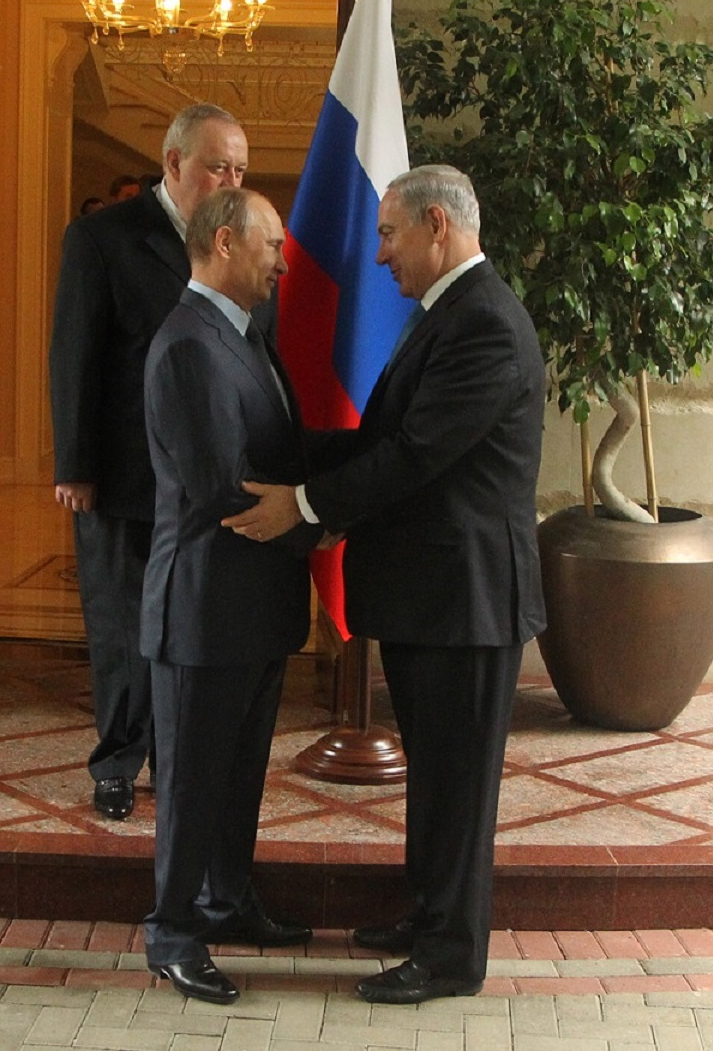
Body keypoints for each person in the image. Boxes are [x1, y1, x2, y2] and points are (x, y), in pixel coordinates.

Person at [221, 165, 546, 1004]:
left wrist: (299, 499)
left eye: (388, 234)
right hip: (433, 597)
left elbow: (412, 456)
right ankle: (429, 913)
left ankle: (448, 957)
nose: (377, 256)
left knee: (457, 786)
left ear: (436, 225)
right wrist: (280, 447)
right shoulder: (450, 311)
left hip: (464, 603)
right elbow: (384, 438)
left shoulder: (484, 326)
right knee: (436, 773)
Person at [49, 103, 266, 822]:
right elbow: (74, 354)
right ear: (173, 164)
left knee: (184, 625)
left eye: (238, 169)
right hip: (121, 473)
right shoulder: (101, 238)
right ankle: (116, 761)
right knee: (119, 626)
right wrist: (73, 464)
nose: (229, 180)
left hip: (204, 479)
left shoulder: (238, 242)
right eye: (216, 167)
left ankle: (176, 761)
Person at [141, 188, 320, 1006]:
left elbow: (280, 448)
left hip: (253, 605)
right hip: (205, 608)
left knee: (239, 771)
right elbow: (222, 487)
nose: (283, 261)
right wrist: (322, 520)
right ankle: (174, 931)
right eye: (271, 245)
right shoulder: (187, 343)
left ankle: (226, 897)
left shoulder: (242, 331)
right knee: (190, 782)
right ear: (223, 243)